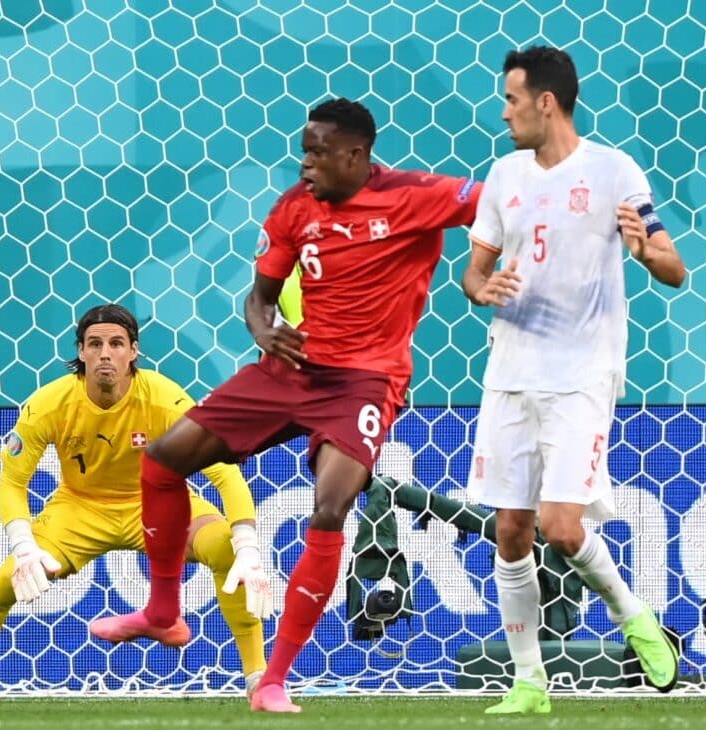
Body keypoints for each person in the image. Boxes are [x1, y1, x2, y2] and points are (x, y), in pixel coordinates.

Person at [89, 98, 483, 713]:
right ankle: (162, 612)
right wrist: (263, 329)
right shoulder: (296, 209)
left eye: (319, 151)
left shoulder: (415, 195)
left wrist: (494, 267)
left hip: (366, 383)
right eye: (304, 150)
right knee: (162, 461)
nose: (306, 163)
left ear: (356, 154)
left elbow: (504, 204)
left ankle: (273, 679)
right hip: (291, 368)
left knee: (330, 509)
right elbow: (260, 296)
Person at [462, 46, 685, 715]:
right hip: (511, 371)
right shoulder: (504, 175)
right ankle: (530, 683)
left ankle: (633, 615)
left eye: (511, 99)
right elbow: (473, 271)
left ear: (546, 102)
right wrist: (482, 289)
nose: (504, 112)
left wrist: (645, 251)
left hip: (583, 373)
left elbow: (675, 267)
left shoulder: (614, 172)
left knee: (561, 527)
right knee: (509, 529)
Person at [0, 304, 272, 703]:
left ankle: (258, 677)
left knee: (226, 552)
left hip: (158, 505)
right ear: (80, 352)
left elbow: (223, 470)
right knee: (5, 582)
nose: (105, 353)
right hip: (78, 510)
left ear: (134, 351)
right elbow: (11, 480)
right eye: (95, 344)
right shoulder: (48, 404)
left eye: (116, 343)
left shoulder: (165, 399)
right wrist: (23, 545)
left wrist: (247, 545)